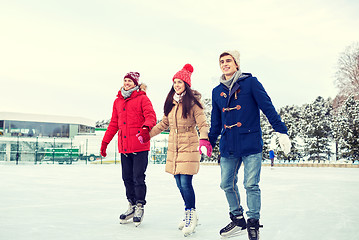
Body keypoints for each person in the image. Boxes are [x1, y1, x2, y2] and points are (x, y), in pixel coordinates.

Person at [207, 50, 291, 240]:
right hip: (228, 145)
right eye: (222, 61)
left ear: (236, 63)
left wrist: (281, 131)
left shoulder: (251, 83)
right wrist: (209, 142)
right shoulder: (216, 91)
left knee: (251, 184)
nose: (225, 64)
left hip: (250, 142)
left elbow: (267, 107)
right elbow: (215, 123)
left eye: (228, 60)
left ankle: (253, 222)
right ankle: (238, 219)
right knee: (226, 184)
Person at [137, 64, 212, 237]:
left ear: (186, 84)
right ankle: (190, 212)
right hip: (174, 145)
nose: (177, 85)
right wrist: (147, 134)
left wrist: (204, 139)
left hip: (189, 143)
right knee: (179, 182)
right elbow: (164, 124)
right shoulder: (171, 103)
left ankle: (190, 214)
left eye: (180, 82)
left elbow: (202, 124)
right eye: (175, 82)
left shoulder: (194, 103)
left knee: (186, 182)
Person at [100, 71, 156, 227]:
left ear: (136, 83)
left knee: (138, 177)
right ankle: (131, 205)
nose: (127, 83)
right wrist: (105, 142)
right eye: (125, 80)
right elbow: (113, 124)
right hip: (124, 148)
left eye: (130, 81)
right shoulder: (118, 101)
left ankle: (139, 206)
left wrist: (146, 128)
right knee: (127, 178)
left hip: (140, 145)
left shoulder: (142, 98)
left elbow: (151, 116)